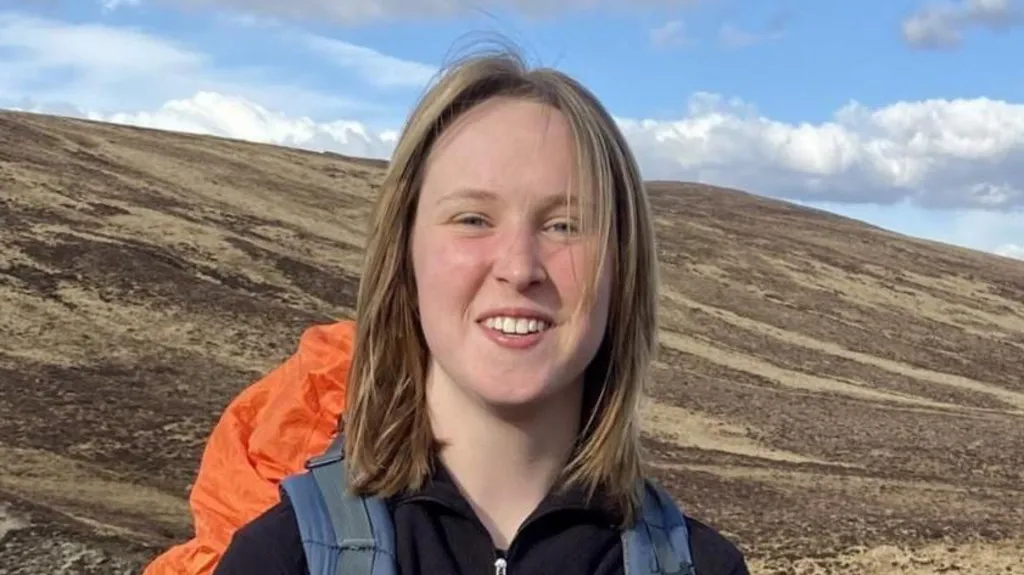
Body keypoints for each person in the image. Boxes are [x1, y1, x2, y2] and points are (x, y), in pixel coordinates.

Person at [209, 46, 750, 575]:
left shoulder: (705, 567)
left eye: (564, 225)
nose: (519, 267)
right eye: (472, 218)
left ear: (621, 273)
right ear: (404, 258)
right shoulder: (280, 560)